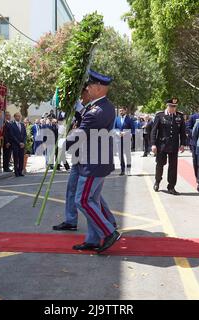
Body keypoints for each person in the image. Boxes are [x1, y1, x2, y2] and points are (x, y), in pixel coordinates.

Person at [68, 70, 120, 253]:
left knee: (82, 200)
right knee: (93, 200)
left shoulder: (95, 111)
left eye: (90, 86)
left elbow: (80, 135)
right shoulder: (105, 107)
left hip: (92, 163)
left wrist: (63, 142)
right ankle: (92, 238)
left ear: (98, 88)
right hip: (98, 161)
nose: (87, 89)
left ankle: (109, 231)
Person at [53, 84, 92, 231]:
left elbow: (88, 124)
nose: (82, 97)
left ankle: (107, 219)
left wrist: (80, 110)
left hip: (88, 156)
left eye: (83, 94)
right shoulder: (80, 109)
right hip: (77, 156)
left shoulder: (92, 109)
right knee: (71, 188)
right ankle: (71, 220)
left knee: (91, 194)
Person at [151, 98, 187, 195]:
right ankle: (157, 181)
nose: (173, 108)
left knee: (173, 167)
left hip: (174, 146)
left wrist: (183, 144)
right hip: (162, 145)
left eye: (175, 106)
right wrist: (153, 144)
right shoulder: (160, 115)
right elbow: (154, 131)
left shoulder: (179, 116)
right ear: (167, 105)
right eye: (171, 106)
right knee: (160, 164)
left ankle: (171, 186)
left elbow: (182, 132)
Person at [187, 104, 199, 181]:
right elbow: (188, 128)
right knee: (196, 160)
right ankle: (197, 177)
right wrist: (195, 132)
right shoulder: (193, 117)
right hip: (195, 143)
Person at [114, 107, 134, 175]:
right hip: (118, 140)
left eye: (122, 110)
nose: (121, 112)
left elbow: (133, 129)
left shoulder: (130, 119)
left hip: (127, 139)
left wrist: (125, 133)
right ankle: (122, 170)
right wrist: (118, 133)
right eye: (120, 111)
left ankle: (128, 170)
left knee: (128, 155)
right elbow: (114, 128)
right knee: (120, 155)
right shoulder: (117, 119)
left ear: (125, 110)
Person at [9, 112, 27, 177]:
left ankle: (20, 171)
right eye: (17, 116)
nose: (19, 117)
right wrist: (19, 143)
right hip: (15, 145)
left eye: (19, 116)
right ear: (15, 117)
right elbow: (12, 135)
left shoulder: (22, 125)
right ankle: (16, 172)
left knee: (21, 158)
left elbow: (25, 135)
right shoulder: (12, 125)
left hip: (22, 145)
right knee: (16, 159)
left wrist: (23, 142)